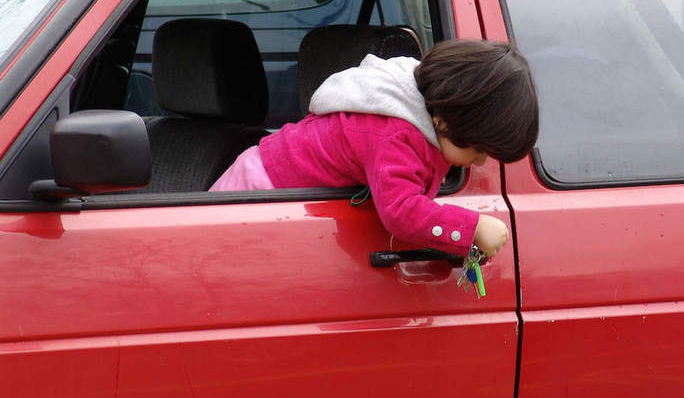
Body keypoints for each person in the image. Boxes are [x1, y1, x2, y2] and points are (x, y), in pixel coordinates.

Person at [210, 39, 539, 257]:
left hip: (259, 183)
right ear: (443, 121)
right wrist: (472, 228)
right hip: (257, 193)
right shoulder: (394, 135)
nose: (480, 162)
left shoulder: (417, 107)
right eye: (478, 150)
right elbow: (400, 212)